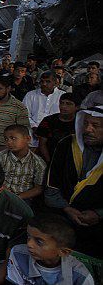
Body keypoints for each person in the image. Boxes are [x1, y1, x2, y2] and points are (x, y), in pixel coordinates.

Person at [45, 105, 103, 257]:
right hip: (62, 215)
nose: (88, 129)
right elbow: (51, 184)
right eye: (85, 124)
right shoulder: (66, 145)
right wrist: (66, 208)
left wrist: (99, 214)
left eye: (95, 125)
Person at [6, 214, 95, 285]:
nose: (29, 244)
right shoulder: (18, 254)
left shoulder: (80, 276)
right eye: (28, 236)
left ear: (63, 252)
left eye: (39, 242)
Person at [0, 124, 46, 203]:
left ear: (28, 139)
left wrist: (17, 197)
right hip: (1, 194)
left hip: (24, 199)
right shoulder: (0, 157)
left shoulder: (38, 162)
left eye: (13, 138)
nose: (9, 142)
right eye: (6, 139)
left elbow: (38, 188)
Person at [23, 71, 65, 147]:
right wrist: (34, 127)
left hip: (55, 131)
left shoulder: (62, 96)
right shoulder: (30, 95)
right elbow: (25, 115)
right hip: (33, 130)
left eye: (48, 81)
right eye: (42, 81)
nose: (44, 84)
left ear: (55, 83)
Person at [36, 92, 79, 162]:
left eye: (68, 104)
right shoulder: (48, 120)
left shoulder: (80, 122)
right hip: (51, 159)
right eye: (61, 103)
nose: (63, 106)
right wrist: (49, 162)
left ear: (77, 107)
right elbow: (42, 144)